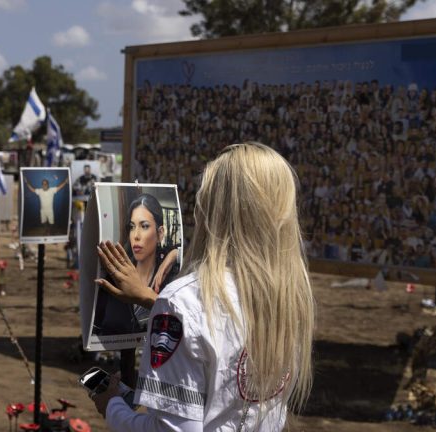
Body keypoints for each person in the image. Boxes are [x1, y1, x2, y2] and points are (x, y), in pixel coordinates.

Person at [92, 143, 315, 431]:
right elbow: (222, 328)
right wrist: (155, 302)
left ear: (213, 209)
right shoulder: (290, 295)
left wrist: (112, 405)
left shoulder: (181, 302)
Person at [93, 193, 179, 336]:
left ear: (160, 233)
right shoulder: (115, 276)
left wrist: (175, 253)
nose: (136, 235)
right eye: (132, 227)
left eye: (144, 226)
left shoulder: (171, 277)